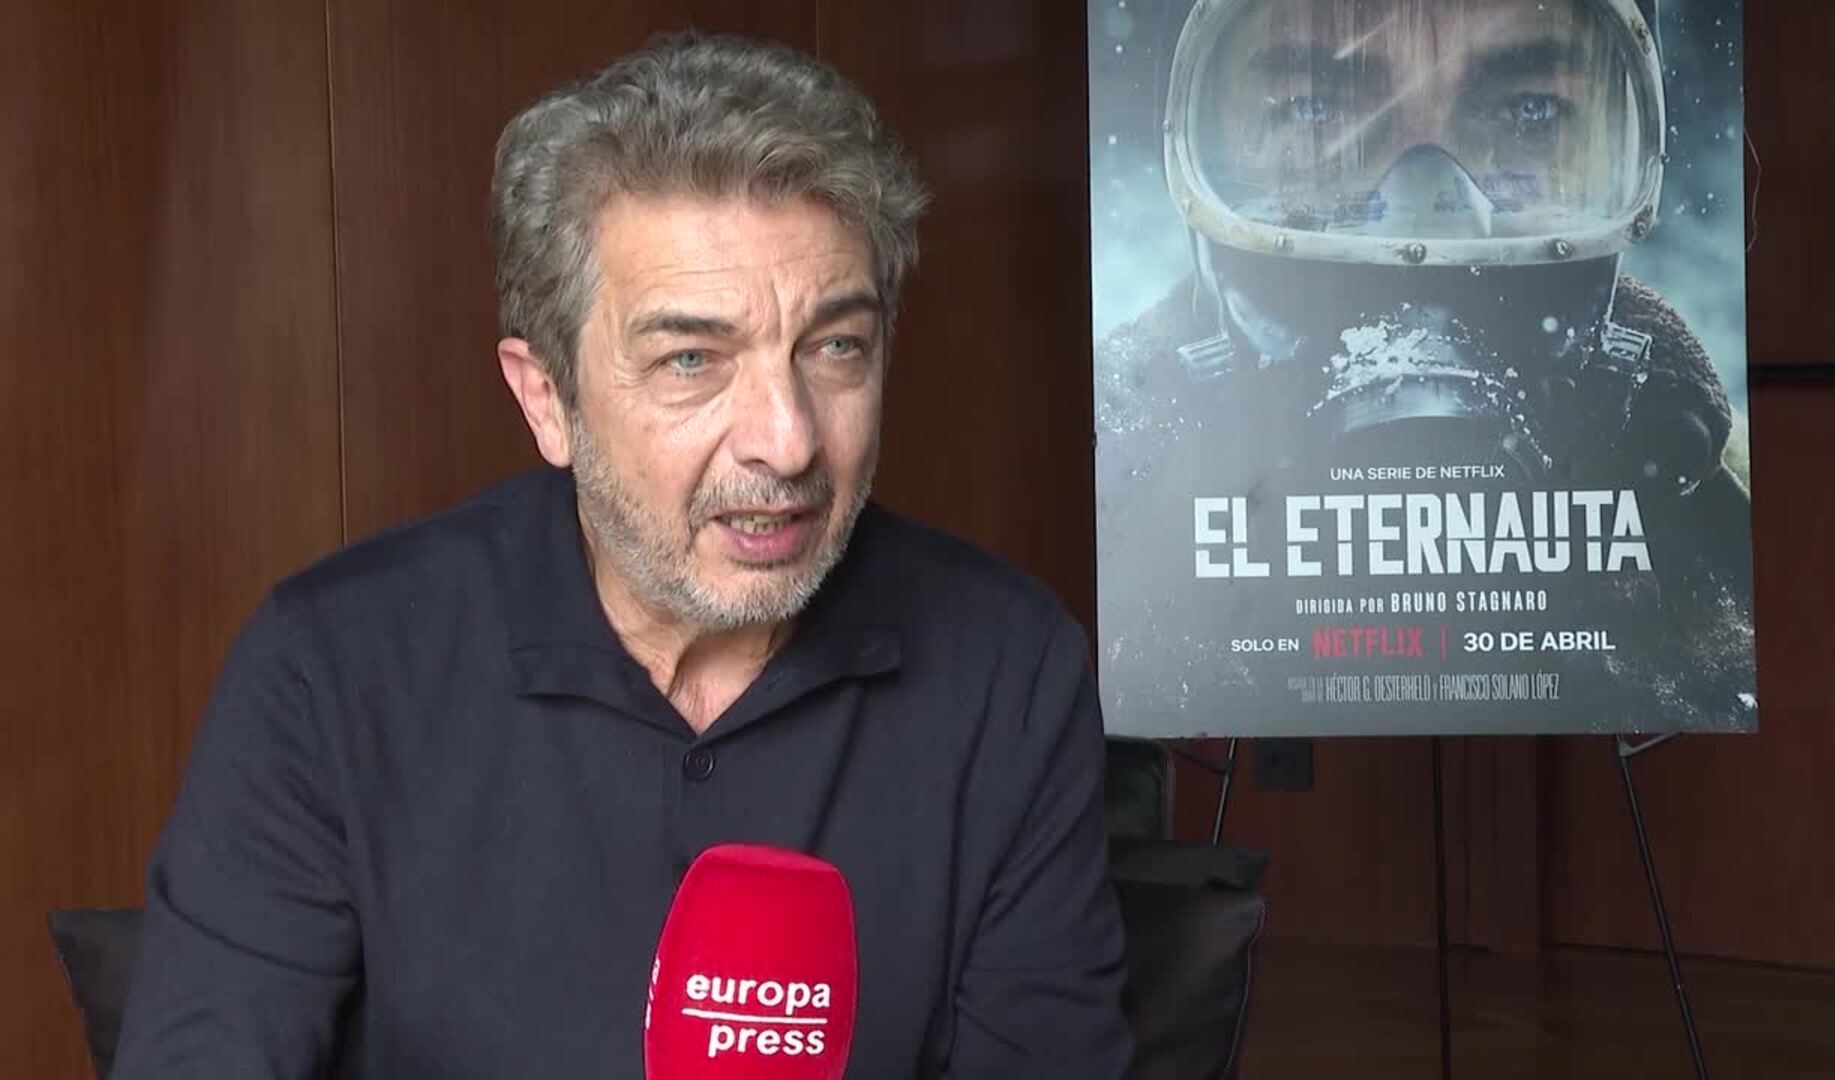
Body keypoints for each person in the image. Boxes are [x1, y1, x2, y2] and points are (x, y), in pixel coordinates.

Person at [114, 31, 1132, 1078]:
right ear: (546, 399)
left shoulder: (1007, 670)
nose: (787, 441)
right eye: (691, 360)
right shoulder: (332, 671)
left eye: (836, 347)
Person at [1096, 0, 1755, 731]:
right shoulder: (1099, 512)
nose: (1425, 214)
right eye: (1314, 111)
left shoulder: (1730, 541)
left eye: (1531, 113)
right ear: (1189, 167)